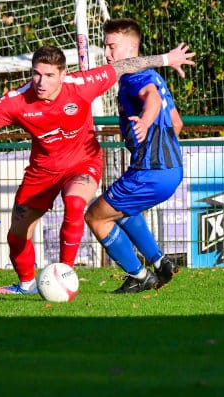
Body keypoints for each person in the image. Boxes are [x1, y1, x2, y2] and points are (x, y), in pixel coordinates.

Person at [0, 43, 195, 295]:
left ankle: (64, 275)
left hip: (83, 163)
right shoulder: (17, 101)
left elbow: (125, 65)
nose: (41, 81)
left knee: (75, 203)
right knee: (17, 233)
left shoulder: (82, 84)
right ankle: (26, 285)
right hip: (42, 171)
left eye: (49, 75)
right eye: (36, 73)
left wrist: (166, 59)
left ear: (63, 74)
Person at [84, 18, 185, 293]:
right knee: (123, 209)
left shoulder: (133, 77)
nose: (107, 53)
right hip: (172, 170)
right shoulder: (154, 75)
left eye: (112, 46)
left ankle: (139, 276)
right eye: (105, 46)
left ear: (131, 48)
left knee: (95, 217)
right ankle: (161, 262)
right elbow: (177, 123)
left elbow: (151, 98)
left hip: (150, 171)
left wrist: (145, 122)